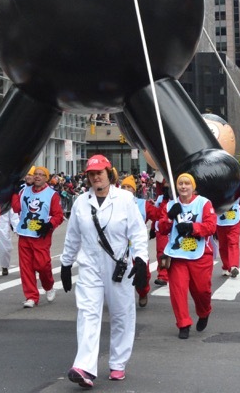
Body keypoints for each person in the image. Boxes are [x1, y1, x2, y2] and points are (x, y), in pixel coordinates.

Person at [61, 155, 149, 387]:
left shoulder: (125, 199)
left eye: (100, 172)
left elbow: (138, 232)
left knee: (121, 315)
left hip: (118, 267)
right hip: (90, 266)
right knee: (87, 314)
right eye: (91, 174)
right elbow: (73, 236)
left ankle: (118, 363)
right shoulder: (81, 202)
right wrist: (66, 264)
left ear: (109, 174)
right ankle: (85, 367)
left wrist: (140, 260)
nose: (96, 177)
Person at [155, 171, 217, 340]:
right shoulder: (170, 205)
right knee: (178, 291)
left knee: (202, 290)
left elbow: (211, 226)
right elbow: (162, 229)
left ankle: (204, 312)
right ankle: (183, 323)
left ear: (193, 187)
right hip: (177, 254)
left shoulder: (204, 203)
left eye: (187, 183)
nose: (183, 186)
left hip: (200, 254)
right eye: (180, 183)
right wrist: (169, 218)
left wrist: (192, 228)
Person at [12, 164, 64, 307]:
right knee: (26, 267)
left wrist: (49, 224)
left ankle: (49, 286)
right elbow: (16, 208)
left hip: (41, 235)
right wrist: (14, 193)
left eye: (41, 174)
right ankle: (31, 296)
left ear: (46, 178)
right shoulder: (24, 191)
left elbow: (58, 215)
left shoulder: (52, 194)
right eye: (36, 174)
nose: (37, 176)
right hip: (24, 234)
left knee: (42, 265)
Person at [120, 175, 152, 307]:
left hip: (137, 245)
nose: (126, 189)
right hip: (120, 246)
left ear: (134, 190)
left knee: (143, 272)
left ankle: (143, 292)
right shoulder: (114, 203)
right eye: (124, 187)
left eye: (129, 187)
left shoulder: (142, 204)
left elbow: (159, 214)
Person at [214, 174, 240, 278]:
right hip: (220, 218)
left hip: (234, 217)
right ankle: (226, 266)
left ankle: (233, 266)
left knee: (233, 242)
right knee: (223, 245)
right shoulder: (215, 186)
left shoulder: (237, 185)